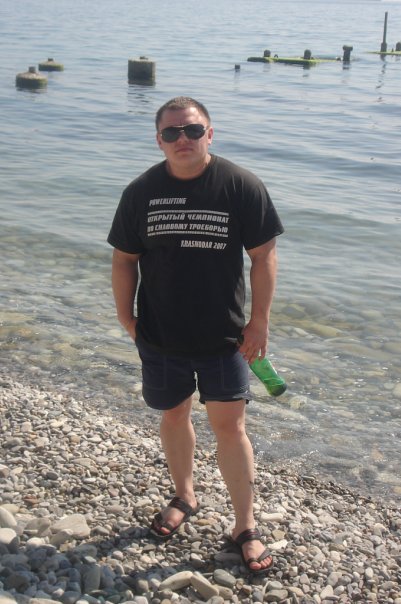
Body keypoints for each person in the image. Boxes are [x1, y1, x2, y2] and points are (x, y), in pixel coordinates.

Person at [107, 96, 284, 575]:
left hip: (225, 337)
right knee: (174, 414)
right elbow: (124, 260)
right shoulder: (141, 192)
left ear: (210, 133)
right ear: (158, 140)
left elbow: (263, 256)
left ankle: (245, 526)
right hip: (160, 335)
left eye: (192, 130)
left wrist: (260, 321)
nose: (182, 139)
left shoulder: (240, 185)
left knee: (231, 427)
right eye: (171, 132)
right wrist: (126, 318)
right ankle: (185, 496)